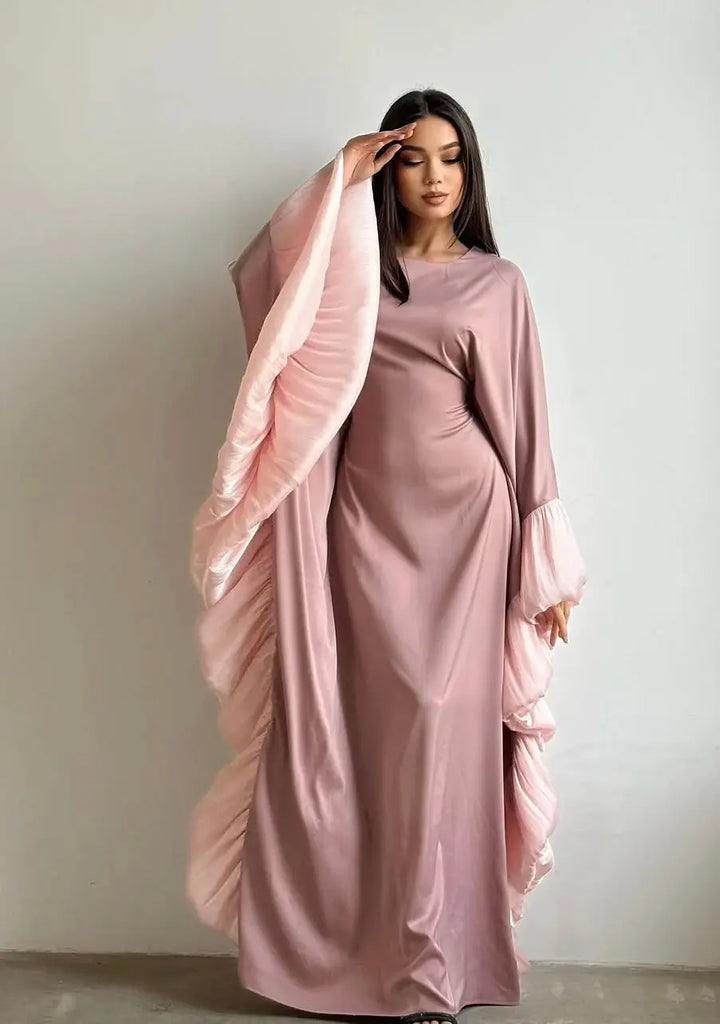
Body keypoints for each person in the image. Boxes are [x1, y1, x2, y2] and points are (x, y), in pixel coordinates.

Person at [187, 89, 587, 1024]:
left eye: (451, 157)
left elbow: (525, 425)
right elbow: (263, 279)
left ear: (471, 168)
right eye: (414, 159)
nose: (435, 177)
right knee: (363, 743)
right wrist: (339, 178)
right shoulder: (348, 275)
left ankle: (432, 970)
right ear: (390, 171)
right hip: (361, 529)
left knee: (443, 737)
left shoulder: (497, 283)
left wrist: (546, 565)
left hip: (468, 535)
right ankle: (346, 955)